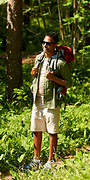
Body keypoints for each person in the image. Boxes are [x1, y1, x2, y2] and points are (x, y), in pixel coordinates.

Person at [25, 32, 73, 170]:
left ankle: (51, 161)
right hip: (37, 100)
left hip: (52, 101)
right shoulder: (39, 58)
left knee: (52, 131)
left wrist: (54, 78)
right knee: (36, 129)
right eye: (44, 42)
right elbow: (35, 78)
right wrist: (33, 73)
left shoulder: (60, 63)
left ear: (55, 45)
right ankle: (36, 159)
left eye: (49, 43)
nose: (45, 45)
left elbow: (68, 83)